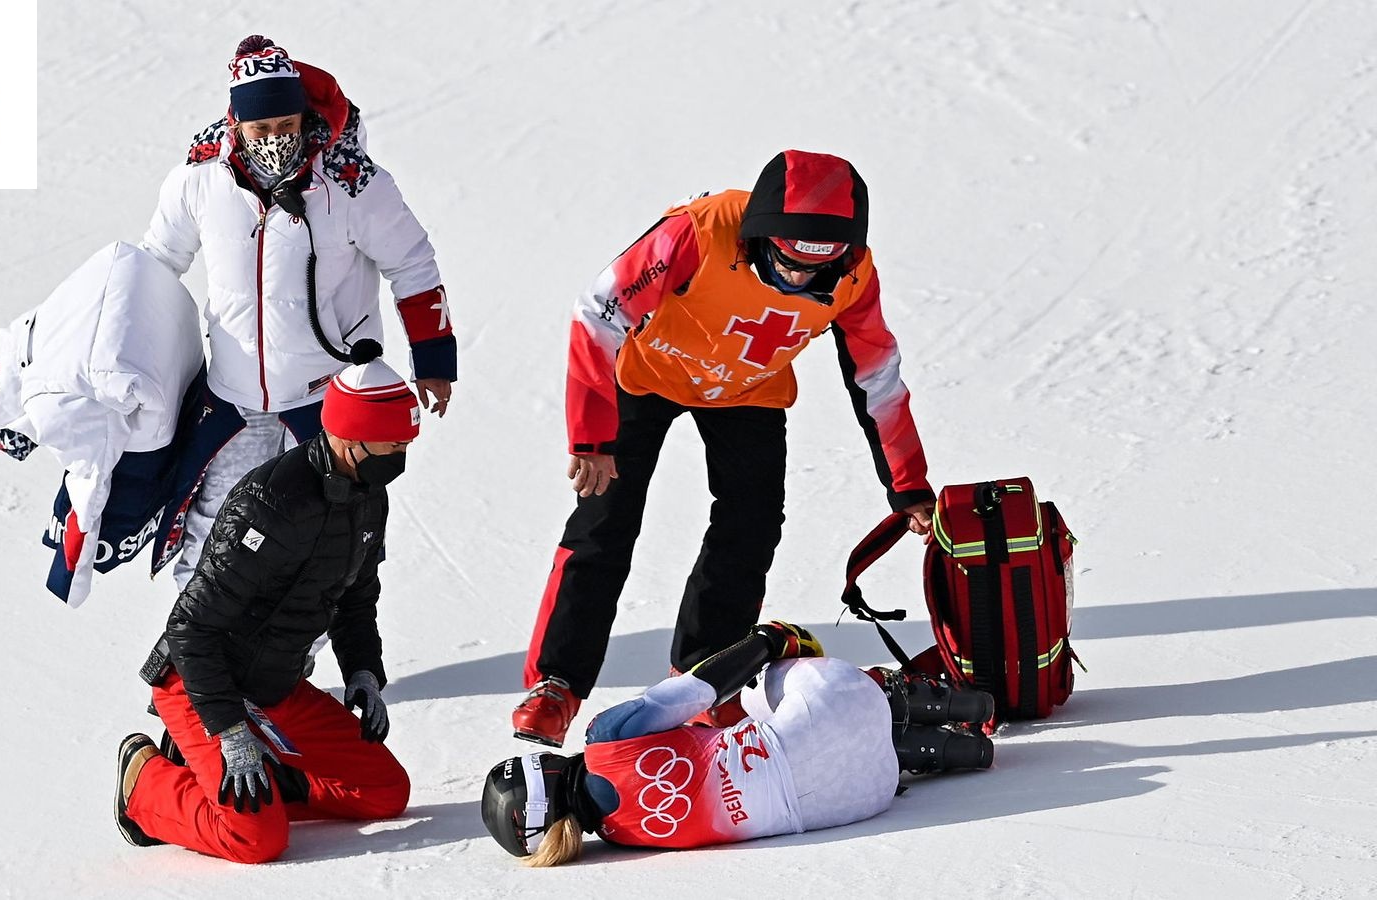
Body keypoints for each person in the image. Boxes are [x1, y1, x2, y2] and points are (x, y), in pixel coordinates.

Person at [515, 150, 936, 746]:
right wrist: (592, 435)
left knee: (752, 526)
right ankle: (556, 685)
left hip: (749, 388)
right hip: (647, 374)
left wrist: (908, 486)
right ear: (758, 235)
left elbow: (877, 375)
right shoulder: (700, 230)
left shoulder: (856, 273)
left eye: (813, 272)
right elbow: (598, 310)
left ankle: (702, 678)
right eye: (785, 264)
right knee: (605, 523)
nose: (796, 279)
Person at [139, 34, 457, 591]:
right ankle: (188, 670)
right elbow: (156, 266)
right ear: (235, 124)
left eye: (285, 125)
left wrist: (433, 359)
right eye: (259, 130)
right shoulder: (198, 181)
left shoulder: (354, 184)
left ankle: (286, 671)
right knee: (214, 531)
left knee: (323, 542)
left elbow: (414, 266)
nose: (274, 140)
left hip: (324, 401)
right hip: (233, 396)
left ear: (303, 114)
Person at [113, 353, 422, 864]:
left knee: (385, 792)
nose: (401, 454)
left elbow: (356, 597)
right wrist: (230, 730)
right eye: (394, 442)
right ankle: (143, 782)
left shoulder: (370, 495)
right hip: (197, 683)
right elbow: (190, 628)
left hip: (274, 685)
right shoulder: (268, 504)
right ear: (352, 434)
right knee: (256, 839)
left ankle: (254, 786)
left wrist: (364, 673)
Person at [483, 622, 994, 865]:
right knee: (759, 690)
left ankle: (948, 751)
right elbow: (699, 687)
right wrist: (768, 640)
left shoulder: (626, 841)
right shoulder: (603, 741)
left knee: (796, 752)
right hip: (835, 707)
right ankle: (940, 705)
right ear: (546, 771)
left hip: (862, 800)